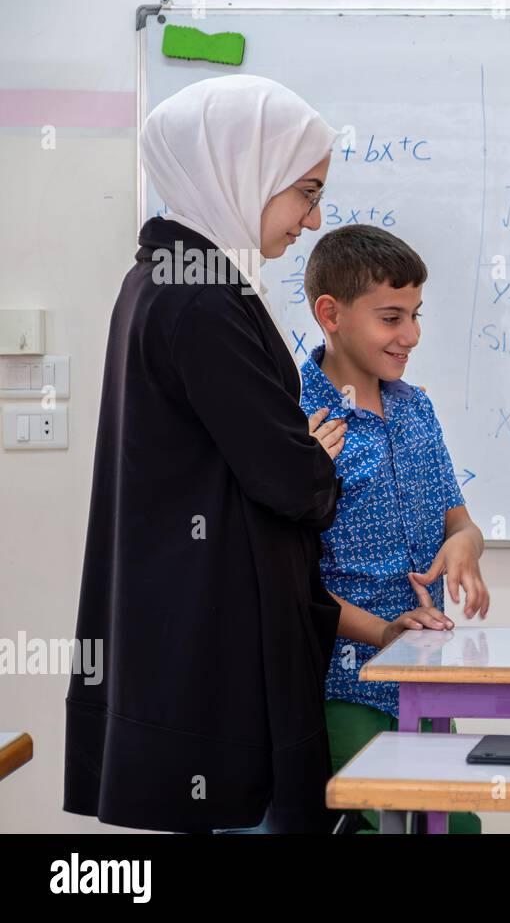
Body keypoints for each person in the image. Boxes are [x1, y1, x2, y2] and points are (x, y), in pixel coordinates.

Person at [65, 75, 347, 833]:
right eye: (305, 192)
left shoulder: (163, 277)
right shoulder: (201, 299)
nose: (314, 220)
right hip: (217, 637)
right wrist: (313, 461)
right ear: (238, 168)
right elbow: (290, 479)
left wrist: (295, 453)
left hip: (191, 625)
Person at [297, 224, 490, 834]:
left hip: (419, 672)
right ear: (330, 314)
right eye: (390, 317)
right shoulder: (295, 412)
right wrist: (381, 630)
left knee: (447, 823)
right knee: (424, 823)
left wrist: (464, 544)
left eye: (415, 315)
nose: (410, 335)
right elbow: (287, 574)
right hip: (341, 679)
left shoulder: (414, 408)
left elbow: (457, 518)